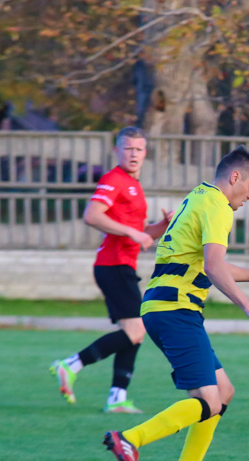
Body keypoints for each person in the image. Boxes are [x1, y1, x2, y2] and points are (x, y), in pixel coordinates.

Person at [103, 145, 249, 461]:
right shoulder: (218, 207)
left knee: (224, 391)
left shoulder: (199, 195)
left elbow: (210, 264)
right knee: (209, 401)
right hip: (174, 311)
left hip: (166, 308)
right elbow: (213, 266)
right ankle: (129, 438)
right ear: (235, 177)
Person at [49, 127, 173, 414]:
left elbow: (141, 234)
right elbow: (92, 215)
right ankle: (71, 365)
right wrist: (133, 233)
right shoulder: (114, 179)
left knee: (134, 332)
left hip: (121, 266)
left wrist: (160, 227)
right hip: (112, 265)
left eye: (139, 149)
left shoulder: (134, 185)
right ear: (117, 150)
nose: (133, 154)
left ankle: (117, 397)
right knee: (138, 328)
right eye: (128, 148)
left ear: (145, 153)